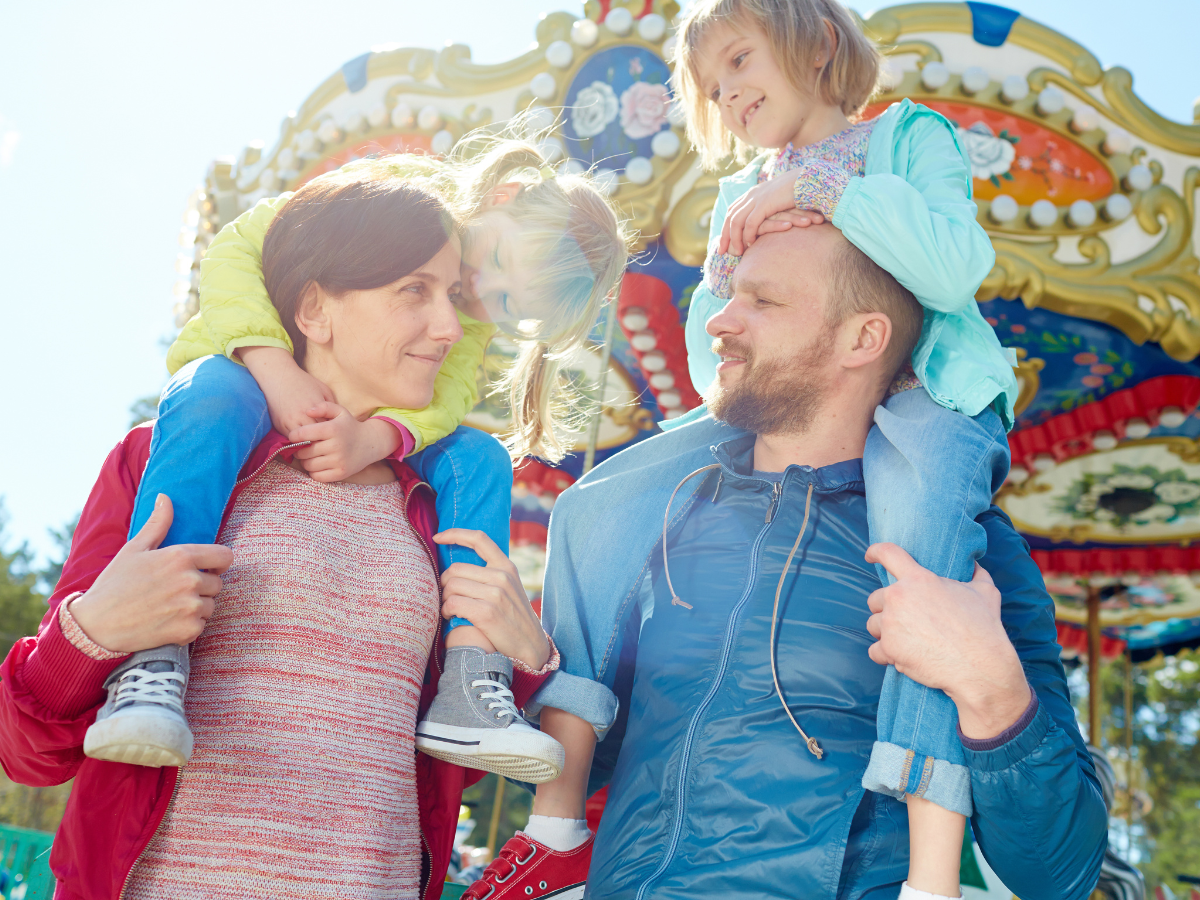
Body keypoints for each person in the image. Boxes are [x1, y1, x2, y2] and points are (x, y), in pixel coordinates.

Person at [466, 226, 1106, 900]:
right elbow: (599, 770)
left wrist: (993, 690)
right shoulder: (660, 519)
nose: (721, 321)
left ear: (863, 339)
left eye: (764, 302)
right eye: (731, 295)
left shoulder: (964, 549)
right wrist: (532, 665)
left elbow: (1059, 872)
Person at [0, 168, 558, 900]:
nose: (451, 327)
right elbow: (27, 750)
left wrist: (525, 656)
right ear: (315, 308)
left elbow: (476, 753)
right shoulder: (163, 461)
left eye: (452, 295)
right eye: (413, 291)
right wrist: (92, 632)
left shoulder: (441, 504)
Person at [81, 127, 631, 786]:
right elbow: (238, 247)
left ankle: (471, 672)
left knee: (479, 458)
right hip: (245, 365)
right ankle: (153, 655)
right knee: (208, 395)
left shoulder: (466, 314)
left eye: (509, 304)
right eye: (505, 264)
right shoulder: (395, 197)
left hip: (364, 426)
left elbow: (449, 394)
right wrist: (273, 365)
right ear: (504, 196)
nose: (480, 298)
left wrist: (380, 437)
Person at [662, 0, 1019, 895]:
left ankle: (933, 859)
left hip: (923, 393)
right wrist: (727, 280)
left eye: (740, 60)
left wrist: (823, 193)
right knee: (609, 503)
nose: (730, 92)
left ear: (817, 43)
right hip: (797, 407)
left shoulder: (904, 137)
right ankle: (568, 776)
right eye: (713, 85)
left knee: (921, 574)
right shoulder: (735, 194)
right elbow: (716, 336)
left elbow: (950, 270)